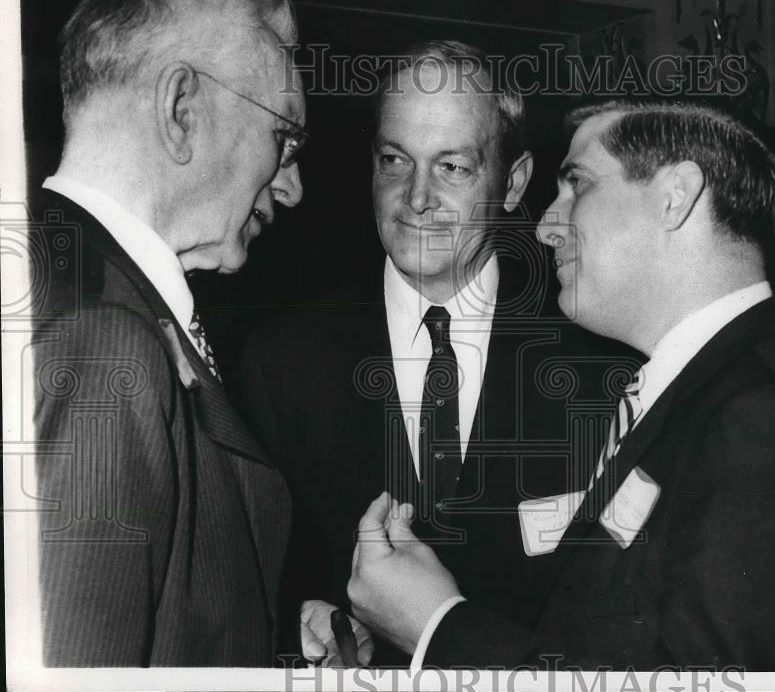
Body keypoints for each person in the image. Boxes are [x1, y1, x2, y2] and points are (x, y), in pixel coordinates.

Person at [347, 99, 775, 672]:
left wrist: (438, 627)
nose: (545, 226)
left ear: (675, 196)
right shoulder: (694, 393)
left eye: (577, 185)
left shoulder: (771, 415)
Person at [237, 41, 629, 665]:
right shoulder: (281, 360)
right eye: (396, 160)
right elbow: (245, 587)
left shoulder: (601, 369)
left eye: (452, 168)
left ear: (514, 182)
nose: (417, 198)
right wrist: (304, 625)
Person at [31, 0, 310, 666]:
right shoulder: (103, 343)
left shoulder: (71, 281)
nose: (294, 187)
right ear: (182, 109)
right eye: (284, 139)